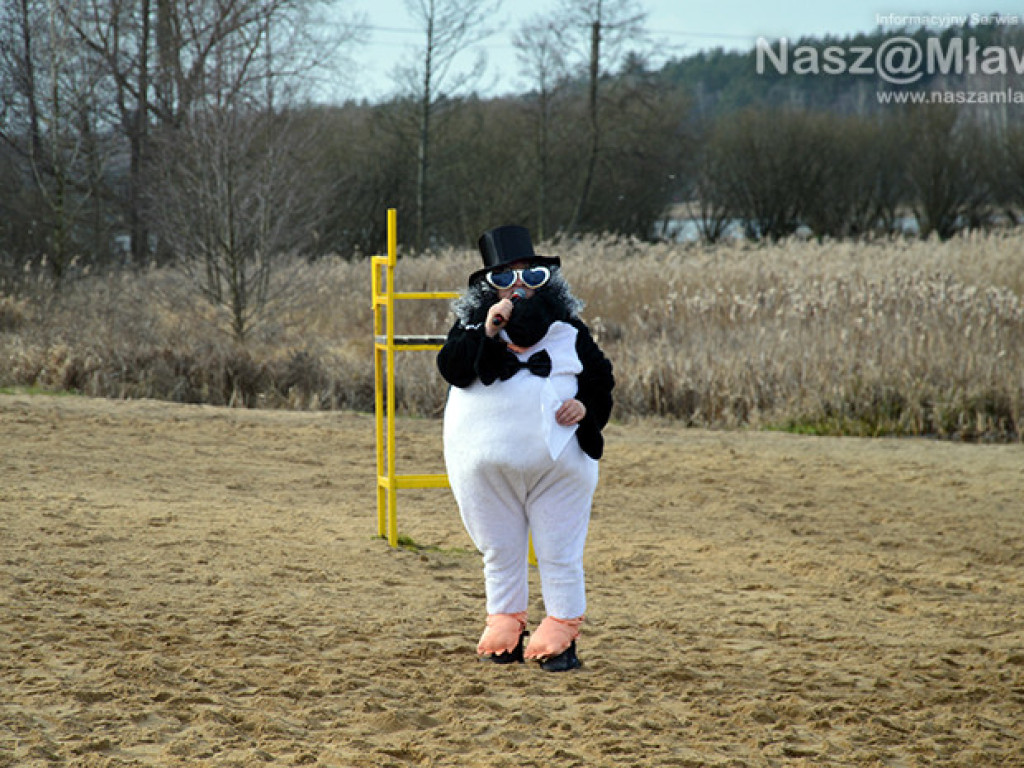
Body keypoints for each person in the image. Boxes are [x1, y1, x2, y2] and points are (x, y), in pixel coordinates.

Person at [437, 224, 614, 672]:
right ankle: (505, 622)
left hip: (558, 464)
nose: (519, 287)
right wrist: (488, 330)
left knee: (559, 551)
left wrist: (585, 406)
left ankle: (562, 626)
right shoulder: (472, 328)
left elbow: (600, 379)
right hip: (486, 468)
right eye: (505, 278)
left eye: (531, 276)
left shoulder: (569, 329)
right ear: (488, 286)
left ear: (545, 281)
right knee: (500, 549)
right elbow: (453, 369)